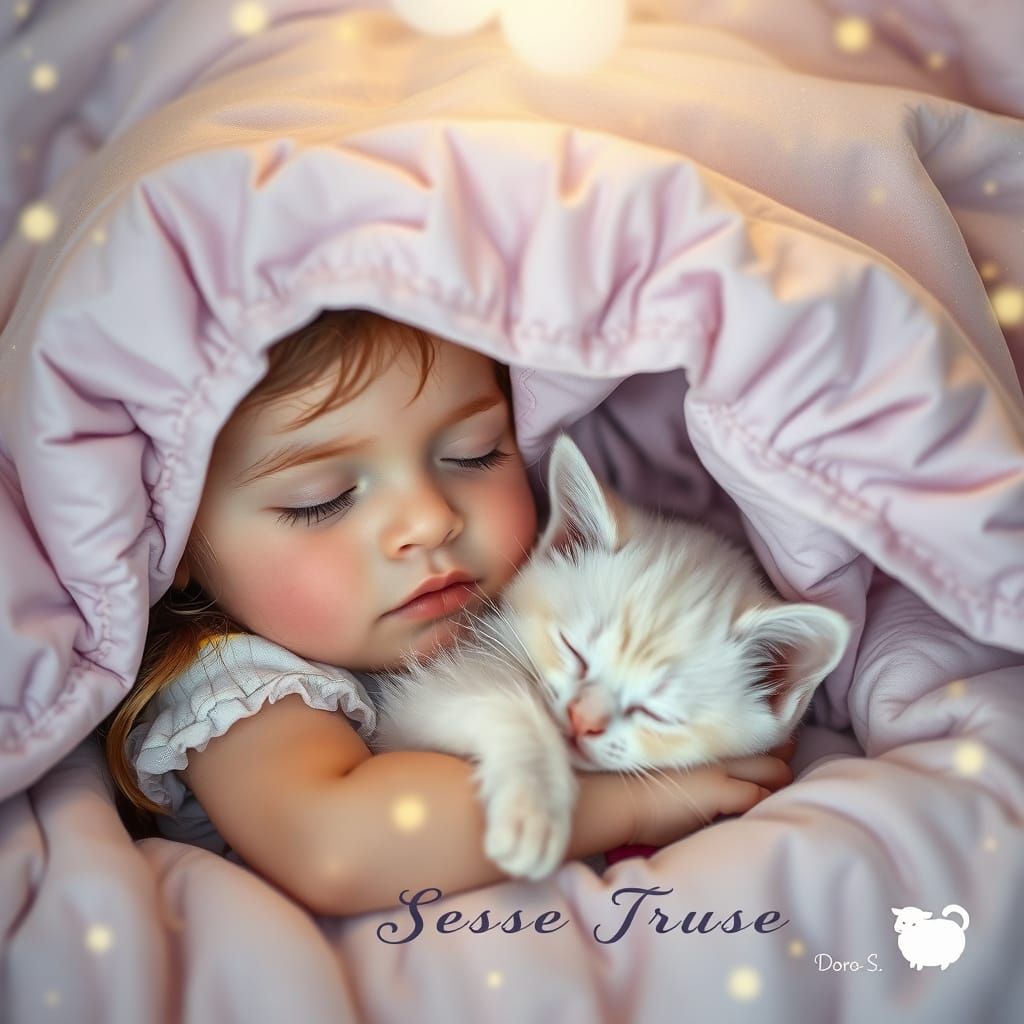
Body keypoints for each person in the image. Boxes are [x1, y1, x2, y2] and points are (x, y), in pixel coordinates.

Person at [101, 308, 793, 917]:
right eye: (325, 496)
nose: (430, 522)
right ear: (179, 534)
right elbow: (338, 846)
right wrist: (634, 805)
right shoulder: (235, 685)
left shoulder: (527, 615)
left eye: (473, 454)